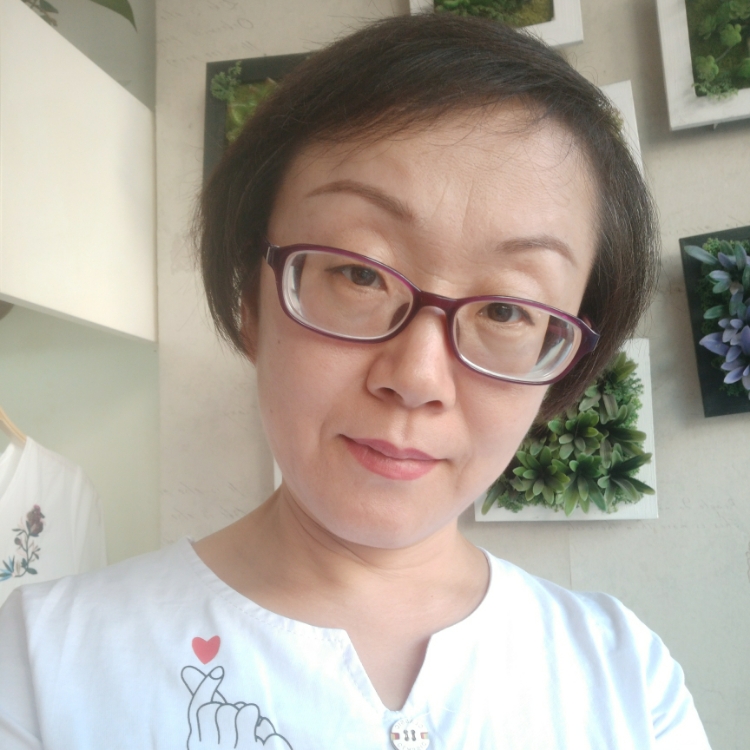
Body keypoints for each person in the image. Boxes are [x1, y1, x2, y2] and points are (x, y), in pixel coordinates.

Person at [0, 12, 711, 750]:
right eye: (359, 274)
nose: (417, 378)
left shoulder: (627, 680)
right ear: (251, 299)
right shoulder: (44, 664)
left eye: (506, 309)